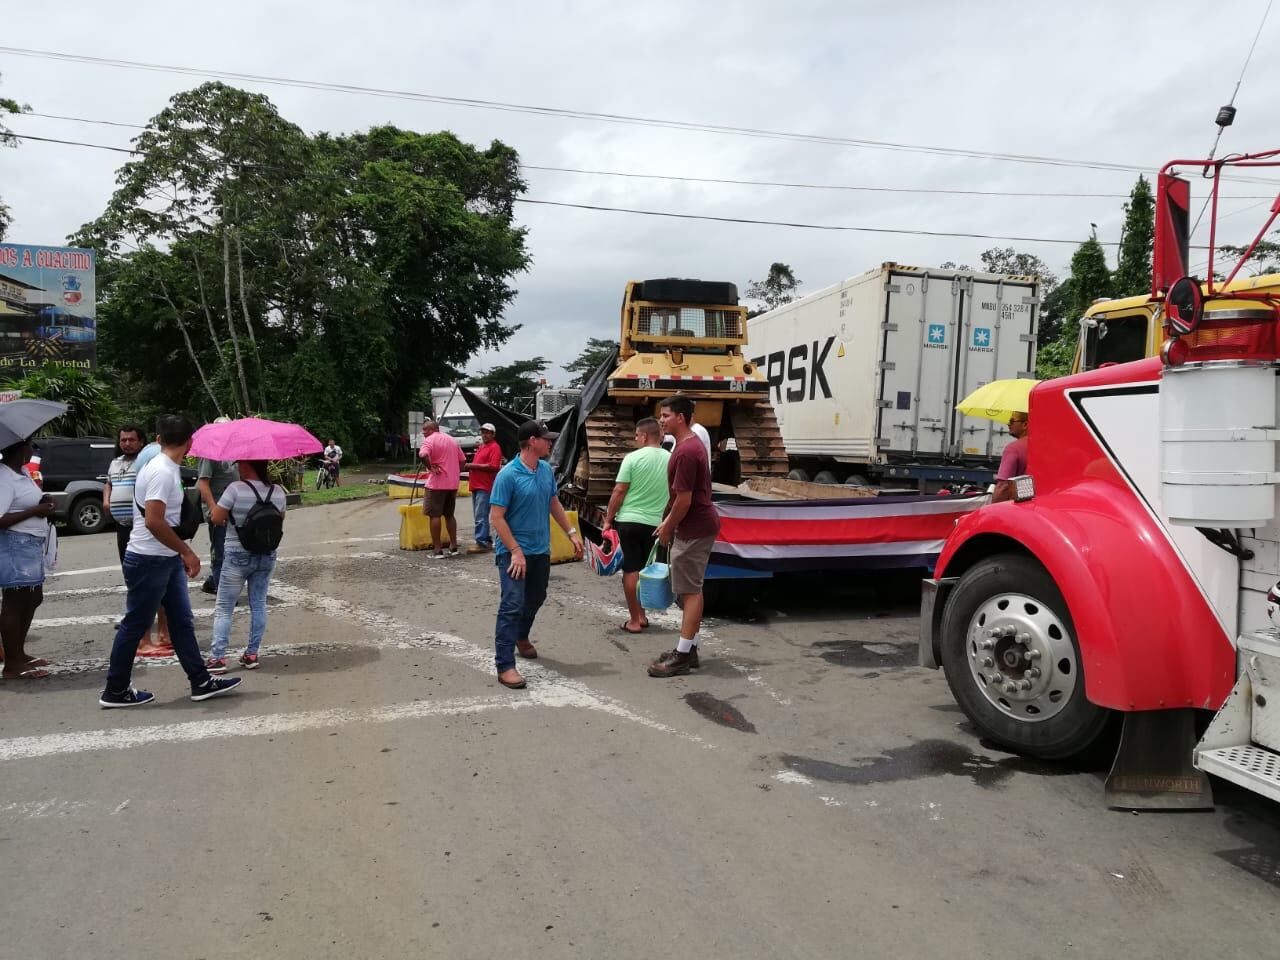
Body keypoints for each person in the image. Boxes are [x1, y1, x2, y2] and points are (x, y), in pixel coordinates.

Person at [98, 415, 242, 708]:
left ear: (158, 439)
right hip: (149, 559)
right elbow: (154, 521)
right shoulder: (162, 471)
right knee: (135, 624)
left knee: (181, 622)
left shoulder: (163, 467)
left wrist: (178, 554)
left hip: (164, 558)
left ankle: (200, 681)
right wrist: (186, 551)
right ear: (190, 443)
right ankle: (115, 689)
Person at [488, 420, 583, 689]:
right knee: (512, 604)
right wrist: (515, 551)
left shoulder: (545, 471)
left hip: (540, 550)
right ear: (532, 442)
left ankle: (521, 635)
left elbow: (553, 503)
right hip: (513, 552)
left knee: (536, 597)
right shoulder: (508, 475)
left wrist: (571, 532)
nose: (550, 442)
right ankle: (505, 665)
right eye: (546, 438)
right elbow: (496, 517)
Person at [648, 395, 720, 678]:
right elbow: (678, 497)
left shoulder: (687, 450)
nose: (661, 420)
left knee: (689, 592)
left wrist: (668, 527)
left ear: (681, 417)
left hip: (694, 528)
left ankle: (682, 656)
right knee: (691, 590)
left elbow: (684, 500)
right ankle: (689, 649)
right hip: (694, 526)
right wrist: (667, 520)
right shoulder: (685, 445)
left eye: (666, 415)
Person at [205, 459, 286, 673]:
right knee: (258, 604)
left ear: (247, 465)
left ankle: (218, 658)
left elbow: (217, 518)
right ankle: (251, 654)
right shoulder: (278, 491)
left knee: (225, 607)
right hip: (266, 555)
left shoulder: (235, 489)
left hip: (237, 554)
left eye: (240, 463)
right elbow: (279, 521)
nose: (237, 467)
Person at [104, 424, 171, 656]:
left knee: (154, 582)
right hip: (122, 528)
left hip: (142, 528)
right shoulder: (115, 463)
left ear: (142, 441)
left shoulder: (147, 461)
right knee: (133, 580)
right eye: (123, 440)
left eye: (131, 440)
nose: (127, 444)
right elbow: (109, 483)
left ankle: (160, 632)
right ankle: (142, 628)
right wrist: (107, 500)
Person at [603, 417, 670, 634]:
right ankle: (642, 615)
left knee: (631, 569)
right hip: (656, 525)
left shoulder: (632, 458)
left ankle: (634, 620)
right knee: (645, 569)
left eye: (636, 435)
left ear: (644, 436)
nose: (635, 439)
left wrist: (608, 520)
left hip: (629, 522)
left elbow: (619, 491)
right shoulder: (671, 459)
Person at [0, 437, 54, 680]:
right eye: (30, 445)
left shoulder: (20, 472)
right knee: (15, 602)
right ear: (20, 448)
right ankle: (12, 664)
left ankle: (19, 653)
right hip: (15, 545)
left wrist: (42, 502)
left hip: (29, 544)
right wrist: (35, 510)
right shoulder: (4, 476)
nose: (31, 450)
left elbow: (23, 501)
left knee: (33, 597)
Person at [196, 430, 238, 595]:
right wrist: (214, 509)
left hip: (235, 511)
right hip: (219, 511)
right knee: (220, 552)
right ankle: (224, 593)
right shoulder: (209, 453)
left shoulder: (234, 451)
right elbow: (203, 483)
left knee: (233, 550)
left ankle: (213, 581)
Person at [419, 419, 466, 559]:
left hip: (436, 484)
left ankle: (437, 550)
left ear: (432, 429)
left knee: (435, 516)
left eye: (425, 430)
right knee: (449, 515)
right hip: (452, 484)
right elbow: (463, 460)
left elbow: (423, 455)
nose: (423, 433)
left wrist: (430, 466)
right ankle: (453, 546)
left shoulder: (429, 440)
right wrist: (455, 472)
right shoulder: (452, 440)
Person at [464, 422, 503, 554]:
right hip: (477, 485)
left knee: (480, 515)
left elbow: (494, 466)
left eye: (487, 433)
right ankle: (485, 539)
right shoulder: (482, 446)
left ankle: (482, 542)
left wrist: (472, 466)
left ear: (493, 434)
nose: (484, 435)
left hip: (485, 485)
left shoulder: (495, 447)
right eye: (483, 432)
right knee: (478, 515)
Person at [992, 411, 1029, 504]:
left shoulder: (1013, 448)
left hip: (1020, 506)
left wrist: (993, 509)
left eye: (1012, 421)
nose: (1008, 424)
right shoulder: (1046, 447)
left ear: (1025, 425)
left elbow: (1003, 486)